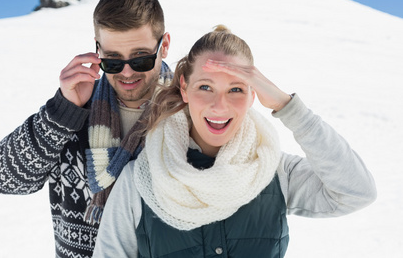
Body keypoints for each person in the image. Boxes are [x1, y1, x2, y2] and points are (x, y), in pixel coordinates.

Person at [92, 25, 377, 258]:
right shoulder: (140, 181)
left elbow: (356, 192)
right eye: (206, 87)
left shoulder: (273, 170)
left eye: (236, 89)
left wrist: (287, 105)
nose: (220, 106)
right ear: (185, 88)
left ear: (254, 95)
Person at [0, 0, 172, 258]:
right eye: (112, 60)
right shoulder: (73, 113)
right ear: (97, 51)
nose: (126, 72)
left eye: (140, 58)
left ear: (164, 46)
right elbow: (5, 179)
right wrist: (60, 112)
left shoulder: (186, 114)